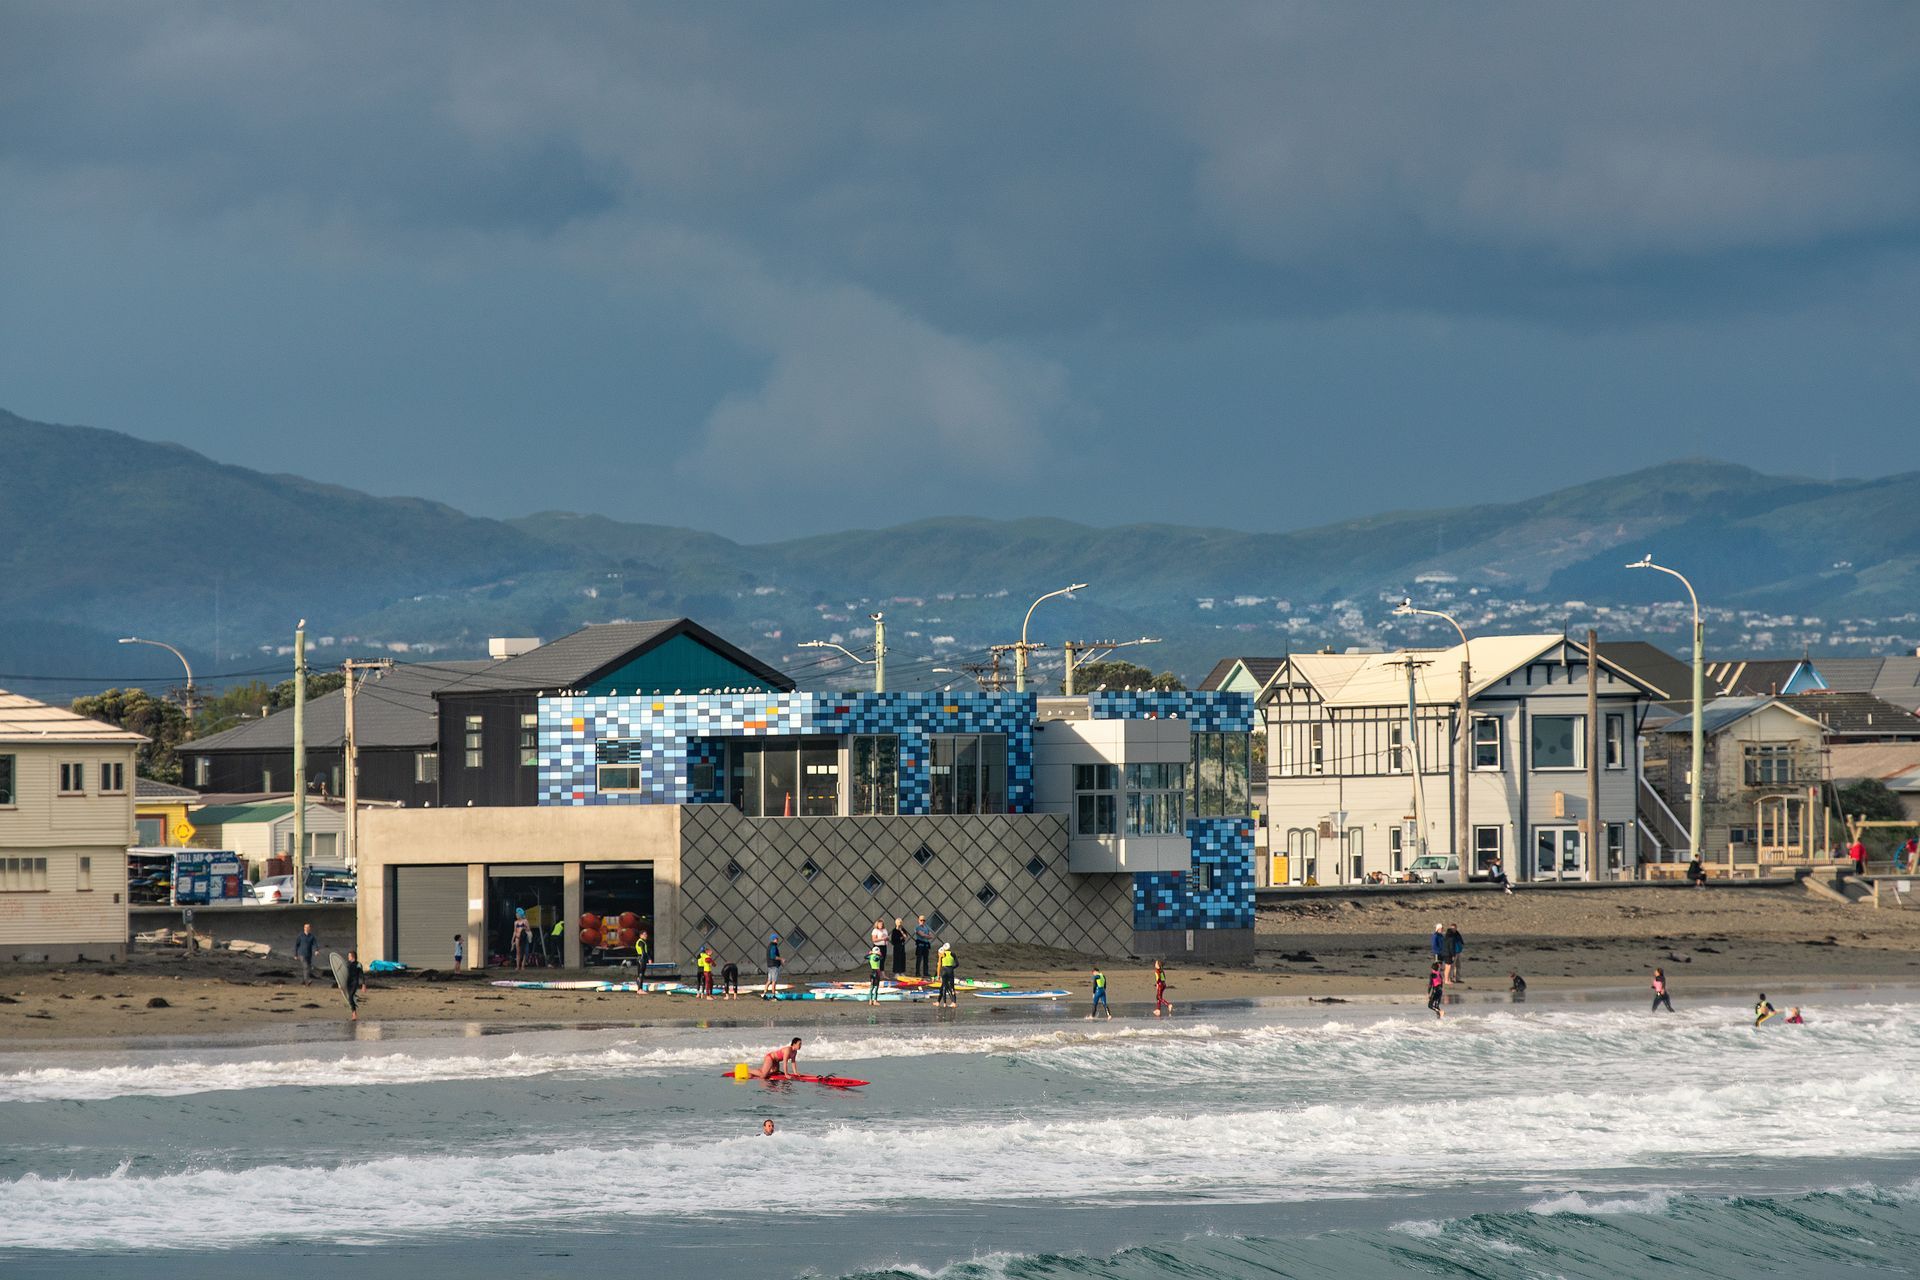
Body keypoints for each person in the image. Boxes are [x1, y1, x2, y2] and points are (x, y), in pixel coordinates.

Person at [344, 950, 366, 1022]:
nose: (348, 957)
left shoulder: (358, 964)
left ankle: (354, 1013)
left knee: (350, 997)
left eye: (349, 956)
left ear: (352, 956)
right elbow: (342, 974)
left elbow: (362, 975)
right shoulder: (347, 964)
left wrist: (363, 984)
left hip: (354, 983)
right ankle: (353, 1011)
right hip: (348, 982)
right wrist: (340, 983)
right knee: (349, 998)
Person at [937, 942, 957, 1006]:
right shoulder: (953, 954)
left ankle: (944, 1003)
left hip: (944, 971)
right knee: (952, 987)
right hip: (950, 971)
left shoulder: (942, 954)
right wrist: (951, 968)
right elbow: (957, 964)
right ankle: (954, 1002)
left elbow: (939, 965)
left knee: (944, 987)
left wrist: (938, 975)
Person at [764, 932, 782, 998]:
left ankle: (765, 994)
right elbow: (773, 956)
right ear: (774, 939)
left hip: (769, 965)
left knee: (769, 981)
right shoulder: (773, 946)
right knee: (774, 981)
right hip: (774, 965)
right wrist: (781, 959)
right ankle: (773, 995)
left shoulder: (769, 946)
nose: (777, 940)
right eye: (777, 939)